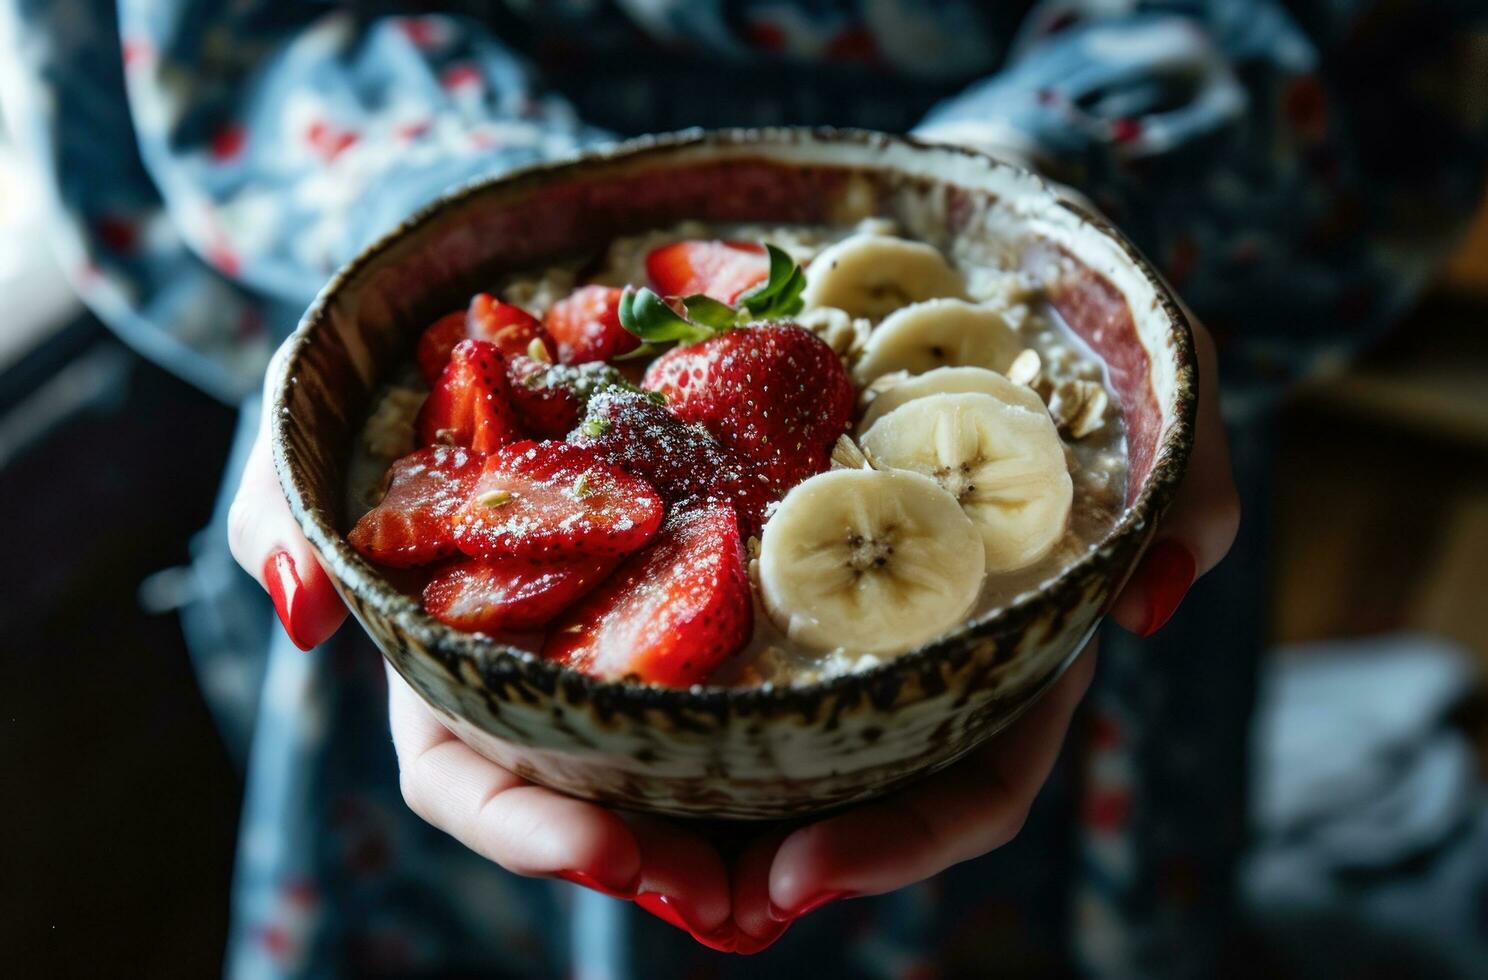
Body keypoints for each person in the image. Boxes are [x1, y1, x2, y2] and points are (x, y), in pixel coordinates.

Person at [3, 1, 1480, 975]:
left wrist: (1043, 186)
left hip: (1011, 365)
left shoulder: (948, 420)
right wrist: (443, 230)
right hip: (464, 260)